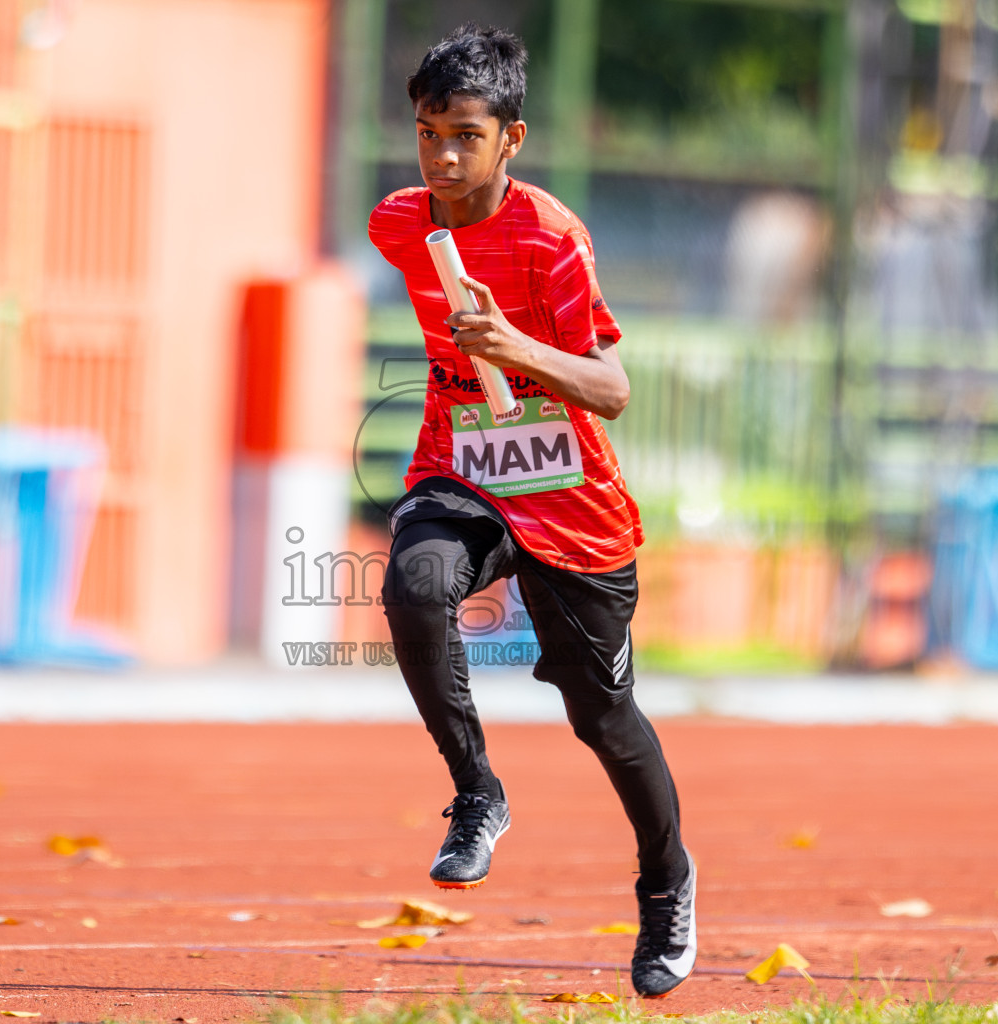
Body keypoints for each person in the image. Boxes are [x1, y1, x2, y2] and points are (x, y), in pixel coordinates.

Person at [366, 23, 695, 999]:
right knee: (414, 585)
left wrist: (513, 347)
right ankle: (477, 794)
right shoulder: (400, 224)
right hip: (463, 474)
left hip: (570, 502)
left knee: (604, 716)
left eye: (465, 135)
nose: (444, 157)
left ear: (512, 137)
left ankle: (668, 880)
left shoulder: (552, 238)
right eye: (428, 133)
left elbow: (612, 386)